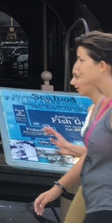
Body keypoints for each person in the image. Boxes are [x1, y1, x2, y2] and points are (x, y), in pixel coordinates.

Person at [34, 31, 112, 223]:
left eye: (81, 60)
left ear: (101, 66)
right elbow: (93, 155)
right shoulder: (102, 106)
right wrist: (58, 188)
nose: (76, 66)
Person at [37, 68, 104, 223]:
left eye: (77, 76)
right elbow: (94, 153)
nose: (72, 82)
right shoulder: (93, 108)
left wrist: (57, 188)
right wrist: (70, 148)